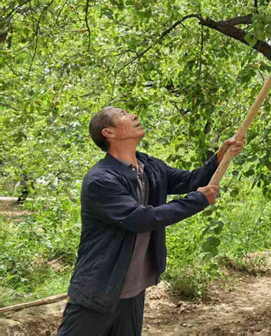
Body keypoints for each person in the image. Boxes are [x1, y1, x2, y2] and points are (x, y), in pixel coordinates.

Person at [56, 106, 245, 336]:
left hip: (133, 291)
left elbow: (189, 180)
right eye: (123, 114)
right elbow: (141, 218)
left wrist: (220, 156)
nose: (134, 115)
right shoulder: (101, 179)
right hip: (98, 290)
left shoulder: (148, 166)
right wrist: (197, 200)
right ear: (109, 132)